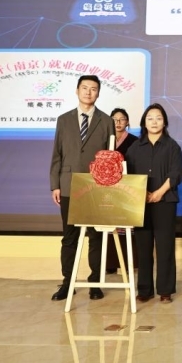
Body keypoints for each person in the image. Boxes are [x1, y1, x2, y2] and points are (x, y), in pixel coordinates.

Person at [49, 75, 113, 301]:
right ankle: (68, 283)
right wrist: (55, 184)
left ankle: (95, 282)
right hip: (68, 185)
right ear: (77, 91)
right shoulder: (63, 120)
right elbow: (57, 154)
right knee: (69, 237)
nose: (88, 92)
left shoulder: (106, 121)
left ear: (98, 93)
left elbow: (110, 156)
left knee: (96, 236)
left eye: (93, 89)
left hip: (96, 187)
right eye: (84, 88)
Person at [126, 103, 182, 304]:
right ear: (144, 122)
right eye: (150, 118)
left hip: (165, 201)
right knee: (143, 247)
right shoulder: (134, 148)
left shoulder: (172, 146)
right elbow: (129, 175)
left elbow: (177, 172)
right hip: (140, 202)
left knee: (165, 246)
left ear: (165, 122)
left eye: (159, 118)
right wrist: (141, 193)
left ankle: (165, 290)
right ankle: (145, 289)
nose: (154, 122)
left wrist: (160, 192)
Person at [105, 107, 139, 275]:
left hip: (126, 189)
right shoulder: (104, 140)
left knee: (126, 227)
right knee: (108, 226)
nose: (118, 122)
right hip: (107, 189)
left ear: (127, 122)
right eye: (115, 119)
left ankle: (129, 263)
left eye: (122, 119)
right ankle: (109, 263)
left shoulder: (135, 141)